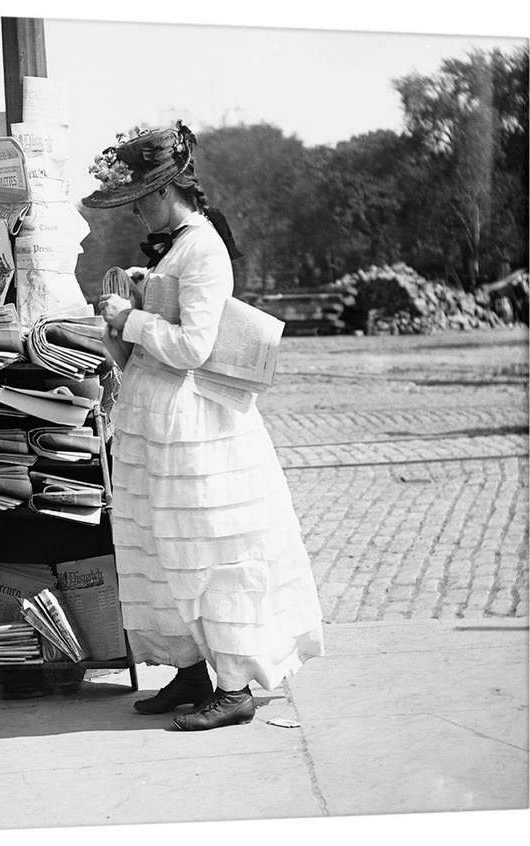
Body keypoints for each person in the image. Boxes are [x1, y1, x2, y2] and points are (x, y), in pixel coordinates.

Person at [83, 123, 324, 731]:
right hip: (156, 415)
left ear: (167, 192)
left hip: (194, 423)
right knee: (163, 544)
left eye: (140, 197)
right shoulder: (176, 246)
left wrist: (131, 320)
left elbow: (194, 347)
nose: (137, 209)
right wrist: (128, 318)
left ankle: (233, 683)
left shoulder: (204, 249)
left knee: (209, 544)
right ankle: (187, 669)